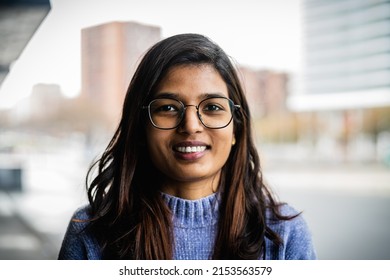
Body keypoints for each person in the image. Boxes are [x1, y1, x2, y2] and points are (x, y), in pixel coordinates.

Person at [58, 33, 316, 260]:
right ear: (140, 128)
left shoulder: (285, 234)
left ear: (236, 128)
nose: (191, 126)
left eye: (213, 107)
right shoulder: (90, 234)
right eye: (168, 108)